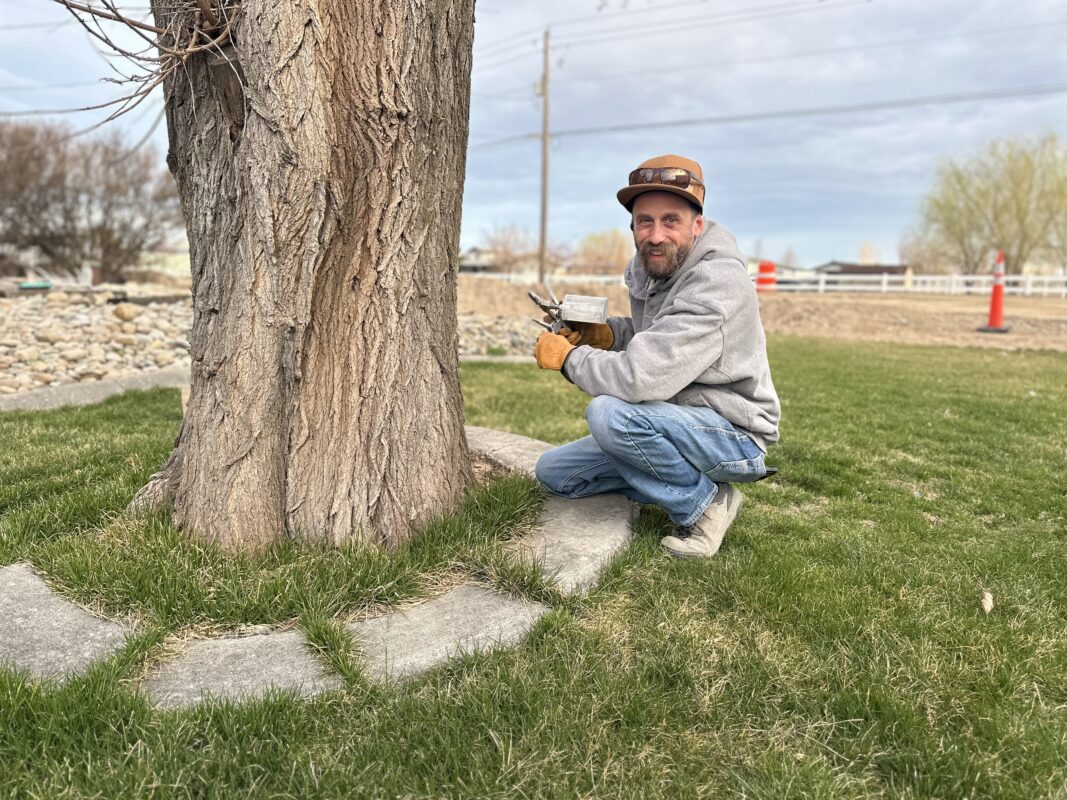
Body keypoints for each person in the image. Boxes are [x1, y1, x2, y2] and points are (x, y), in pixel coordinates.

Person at [532, 154, 780, 558]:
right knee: (557, 473)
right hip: (673, 417)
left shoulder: (716, 282)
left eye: (671, 220)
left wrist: (568, 358)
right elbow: (660, 337)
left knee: (610, 415)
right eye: (644, 221)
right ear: (633, 227)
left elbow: (640, 378)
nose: (655, 234)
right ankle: (673, 477)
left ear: (697, 225)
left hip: (733, 431)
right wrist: (608, 334)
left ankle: (706, 504)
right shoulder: (657, 266)